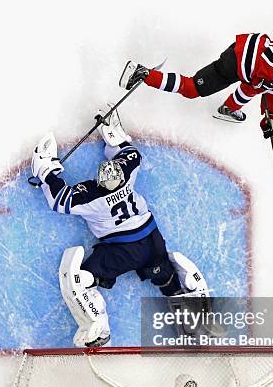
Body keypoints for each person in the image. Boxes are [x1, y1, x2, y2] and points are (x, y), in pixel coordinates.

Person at [31, 106, 208, 348]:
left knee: (82, 279)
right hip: (152, 240)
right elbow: (131, 154)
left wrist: (47, 172)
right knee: (165, 276)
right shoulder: (127, 173)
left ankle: (97, 327)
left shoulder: (92, 198)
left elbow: (59, 200)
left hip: (121, 252)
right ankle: (191, 321)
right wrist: (113, 137)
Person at [119, 32, 273, 136]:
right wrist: (261, 78)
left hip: (242, 64)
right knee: (193, 89)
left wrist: (271, 117)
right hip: (238, 60)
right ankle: (143, 74)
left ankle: (229, 108)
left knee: (256, 86)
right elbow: (272, 55)